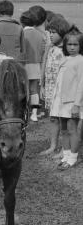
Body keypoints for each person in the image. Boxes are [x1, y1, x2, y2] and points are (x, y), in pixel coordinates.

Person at [50, 28, 83, 170]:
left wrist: (77, 104)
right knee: (64, 129)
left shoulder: (80, 61)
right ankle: (66, 154)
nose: (72, 47)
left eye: (75, 45)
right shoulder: (65, 59)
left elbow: (81, 84)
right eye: (69, 44)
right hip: (61, 101)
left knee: (72, 129)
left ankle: (73, 157)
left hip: (72, 102)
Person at [39, 16, 70, 156]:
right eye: (49, 32)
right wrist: (42, 85)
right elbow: (45, 68)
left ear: (62, 33)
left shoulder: (68, 50)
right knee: (53, 118)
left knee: (64, 120)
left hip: (63, 91)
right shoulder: (51, 48)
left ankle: (65, 149)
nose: (50, 35)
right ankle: (53, 146)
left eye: (53, 32)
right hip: (51, 90)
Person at [20, 6, 47, 122]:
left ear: (22, 23)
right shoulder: (40, 34)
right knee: (34, 90)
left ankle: (24, 112)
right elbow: (42, 50)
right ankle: (34, 114)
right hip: (36, 65)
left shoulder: (21, 33)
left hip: (24, 65)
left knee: (23, 89)